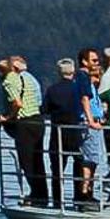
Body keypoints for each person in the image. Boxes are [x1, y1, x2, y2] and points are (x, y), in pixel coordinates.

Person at [0, 56, 47, 205]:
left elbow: (17, 104)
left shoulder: (9, 81)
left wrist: (7, 118)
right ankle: (42, 194)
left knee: (26, 161)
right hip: (38, 120)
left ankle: (35, 194)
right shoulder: (29, 79)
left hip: (24, 123)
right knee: (38, 160)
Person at [41, 58, 82, 208]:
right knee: (79, 166)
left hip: (58, 133)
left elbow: (44, 109)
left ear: (59, 72)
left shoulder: (52, 90)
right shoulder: (78, 89)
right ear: (73, 71)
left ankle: (58, 201)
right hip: (76, 132)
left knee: (57, 170)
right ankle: (79, 198)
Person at [75, 47, 108, 209]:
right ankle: (85, 194)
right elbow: (84, 99)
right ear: (84, 61)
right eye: (94, 60)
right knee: (91, 158)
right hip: (88, 122)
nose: (97, 63)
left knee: (93, 158)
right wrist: (90, 121)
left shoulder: (87, 78)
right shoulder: (83, 76)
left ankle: (87, 192)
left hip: (94, 120)